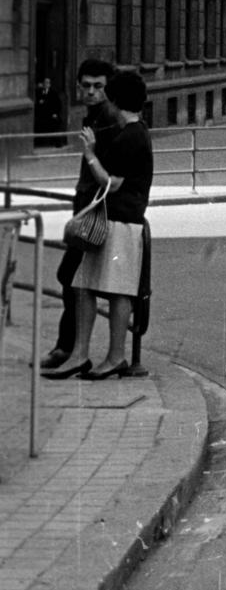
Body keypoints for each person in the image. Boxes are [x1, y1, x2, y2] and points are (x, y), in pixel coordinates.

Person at [43, 69, 153, 382]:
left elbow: (112, 183)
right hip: (117, 220)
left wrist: (90, 153)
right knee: (84, 285)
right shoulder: (135, 131)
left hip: (121, 220)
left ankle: (112, 357)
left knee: (116, 291)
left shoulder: (131, 135)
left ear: (116, 99)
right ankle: (83, 355)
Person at [41, 59, 118, 371]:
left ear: (107, 88)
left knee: (72, 277)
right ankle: (69, 348)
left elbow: (109, 170)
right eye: (85, 85)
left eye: (98, 86)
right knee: (72, 278)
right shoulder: (96, 116)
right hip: (88, 208)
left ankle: (69, 350)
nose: (90, 92)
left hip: (97, 213)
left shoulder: (109, 118)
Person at [33, 75, 66, 147]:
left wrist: (55, 113)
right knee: (40, 125)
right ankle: (42, 143)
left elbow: (58, 104)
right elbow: (37, 103)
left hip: (52, 114)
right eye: (45, 83)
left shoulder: (53, 93)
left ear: (49, 84)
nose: (46, 84)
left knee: (55, 124)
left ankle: (57, 142)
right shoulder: (40, 92)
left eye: (47, 83)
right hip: (43, 114)